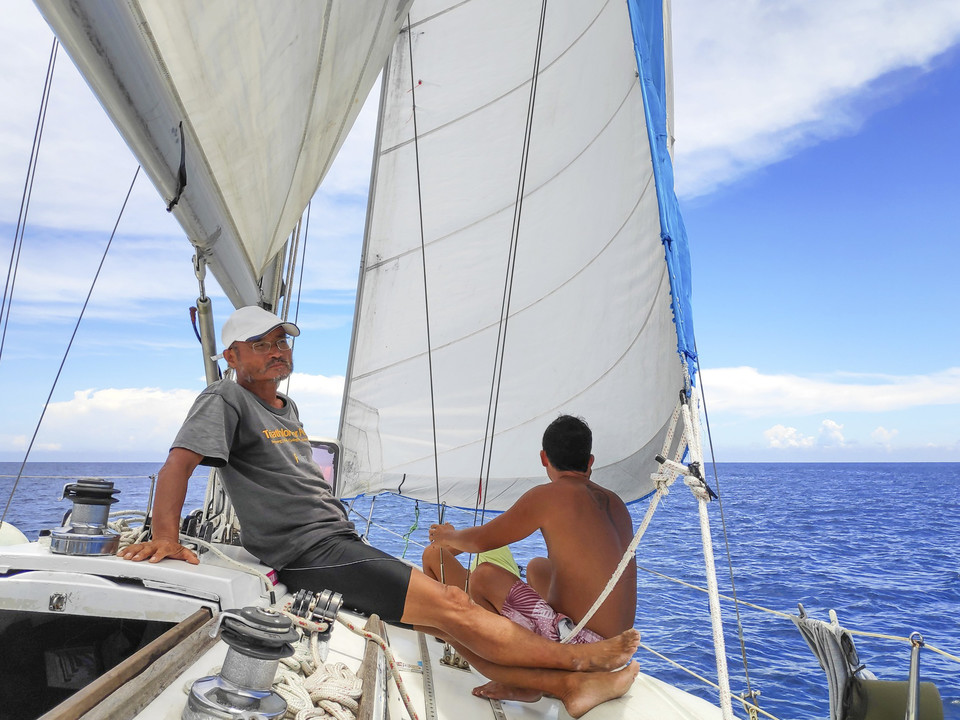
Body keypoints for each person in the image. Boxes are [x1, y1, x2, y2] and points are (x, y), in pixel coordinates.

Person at [117, 306, 639, 718]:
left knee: (444, 624)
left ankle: (564, 685)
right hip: (311, 551)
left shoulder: (286, 409)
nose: (277, 350)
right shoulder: (224, 398)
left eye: (282, 340)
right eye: (261, 343)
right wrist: (167, 535)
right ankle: (581, 661)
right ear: (231, 355)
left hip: (336, 540)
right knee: (456, 610)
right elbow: (178, 465)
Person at [424, 415, 638, 704]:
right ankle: (546, 664)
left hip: (582, 651)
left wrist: (447, 536)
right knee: (538, 566)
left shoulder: (548, 496)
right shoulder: (616, 503)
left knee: (484, 576)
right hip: (616, 651)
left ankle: (522, 680)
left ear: (543, 458)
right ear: (590, 462)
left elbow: (480, 541)